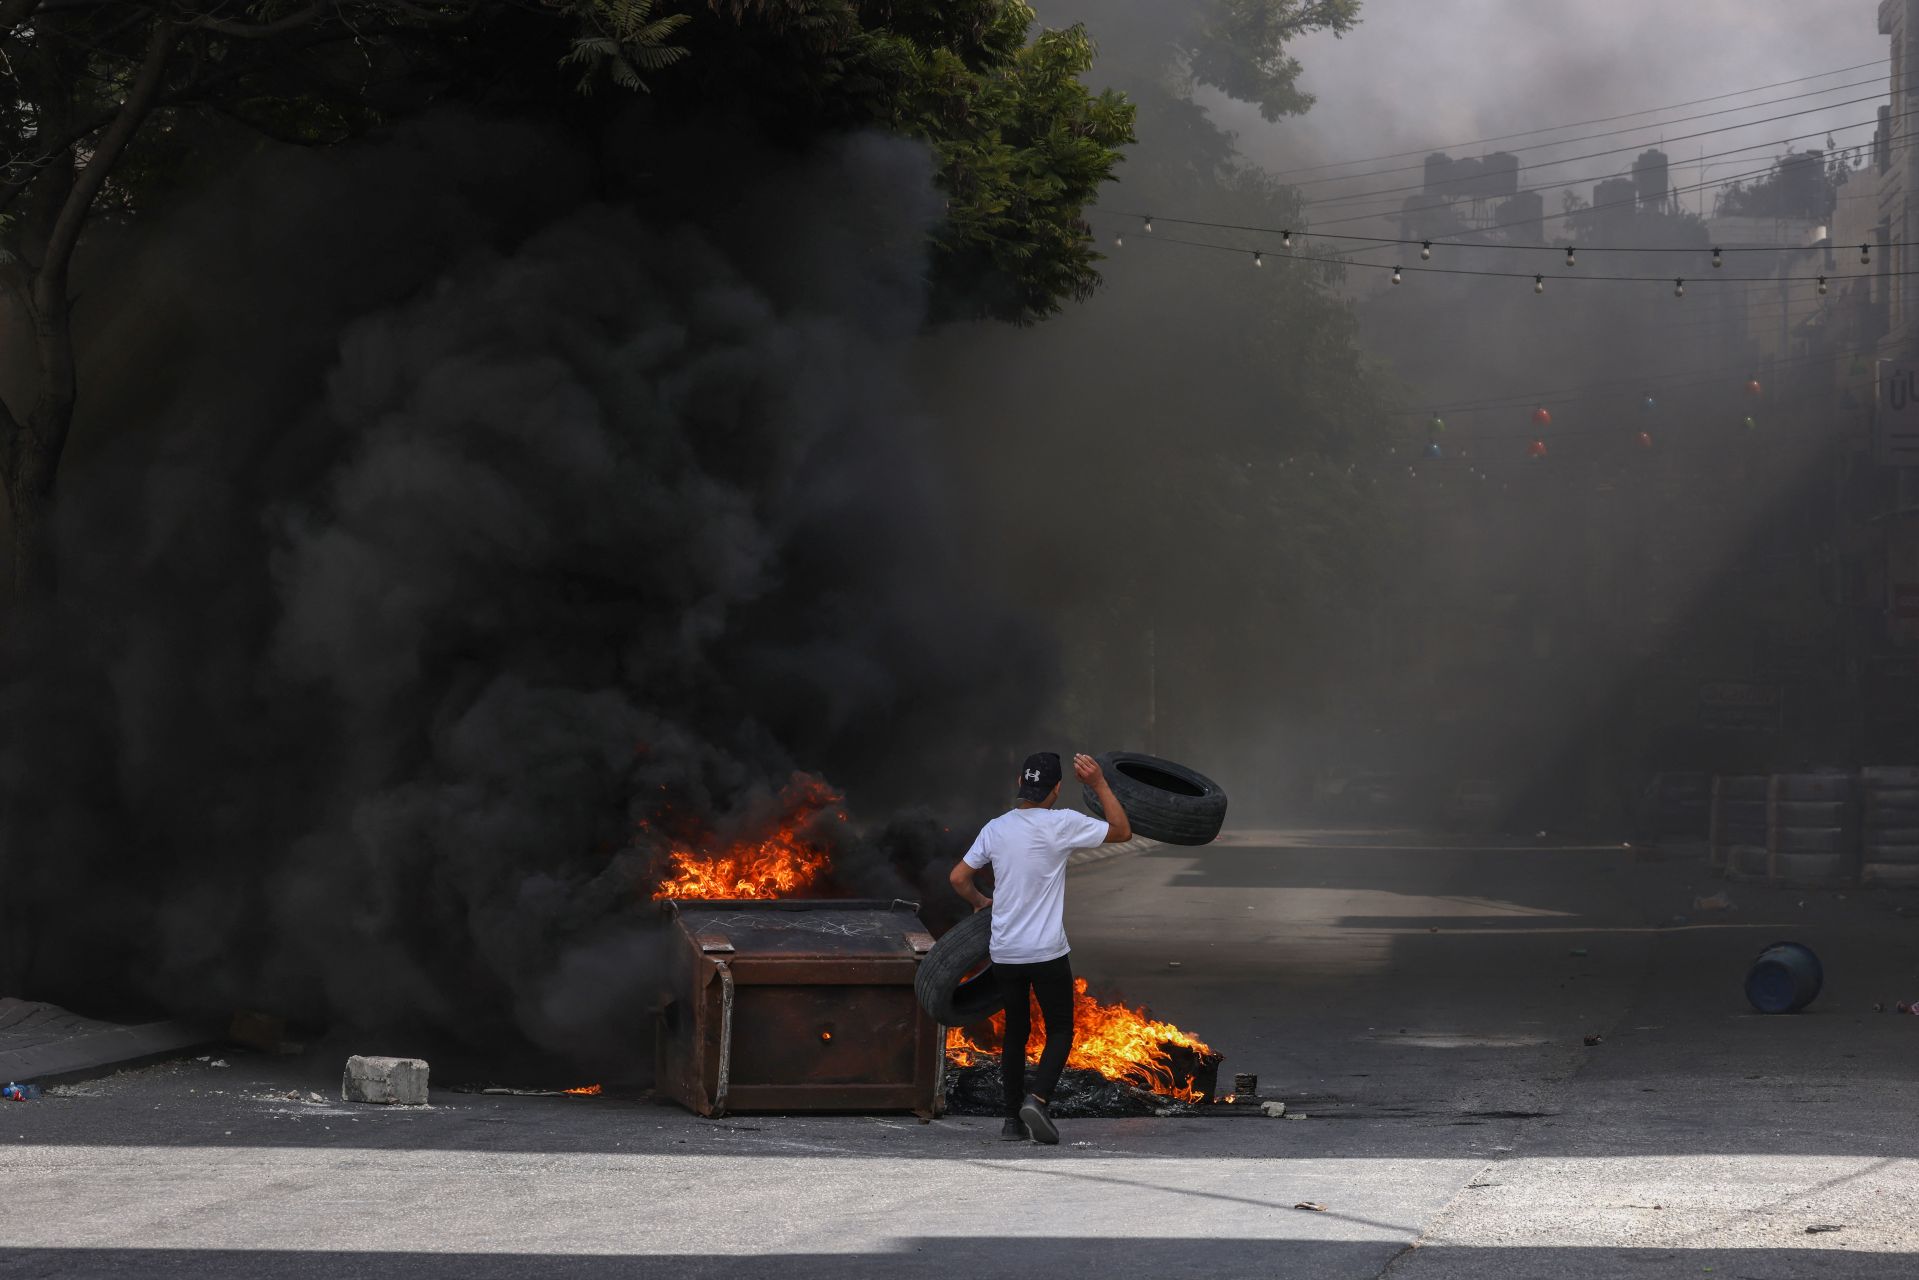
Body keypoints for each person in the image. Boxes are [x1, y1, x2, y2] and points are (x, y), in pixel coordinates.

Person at [949, 751, 1132, 1144]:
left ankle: (1011, 1122)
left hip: (1006, 954)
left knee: (1016, 1032)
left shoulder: (996, 829)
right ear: (1057, 789)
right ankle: (1038, 1098)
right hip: (1047, 952)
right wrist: (1099, 783)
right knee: (1061, 1029)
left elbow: (959, 877)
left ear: (1020, 783)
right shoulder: (1062, 824)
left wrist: (981, 902)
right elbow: (1121, 831)